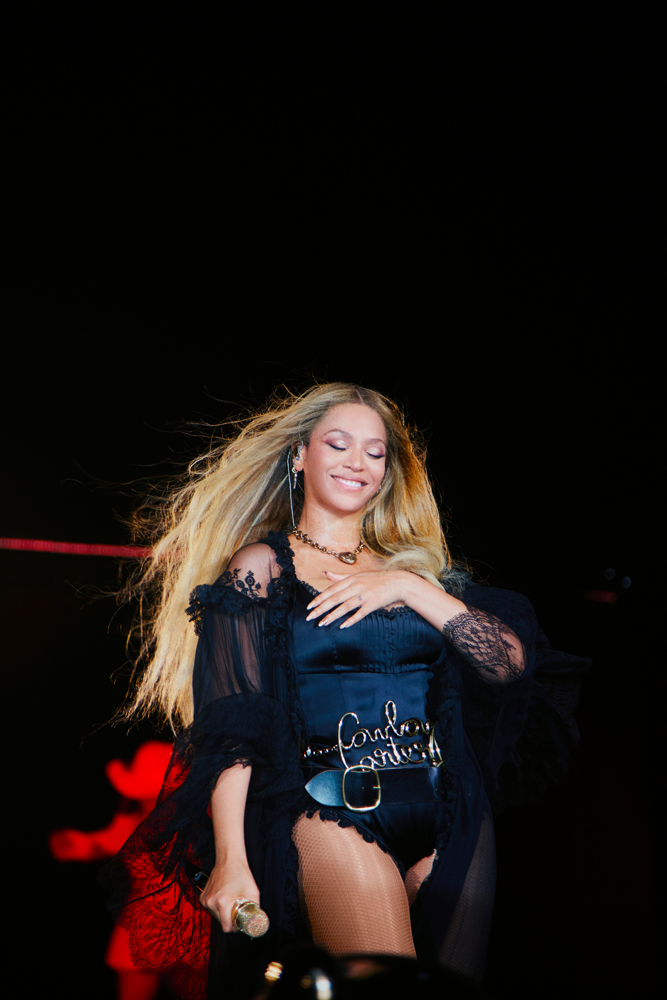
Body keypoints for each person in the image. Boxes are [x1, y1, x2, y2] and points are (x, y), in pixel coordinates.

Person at [102, 383, 589, 999]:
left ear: (388, 473)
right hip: (329, 806)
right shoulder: (261, 567)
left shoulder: (419, 571)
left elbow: (508, 666)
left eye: (375, 452)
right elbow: (233, 723)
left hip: (448, 808)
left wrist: (410, 588)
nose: (357, 462)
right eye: (338, 444)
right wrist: (231, 857)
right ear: (300, 455)